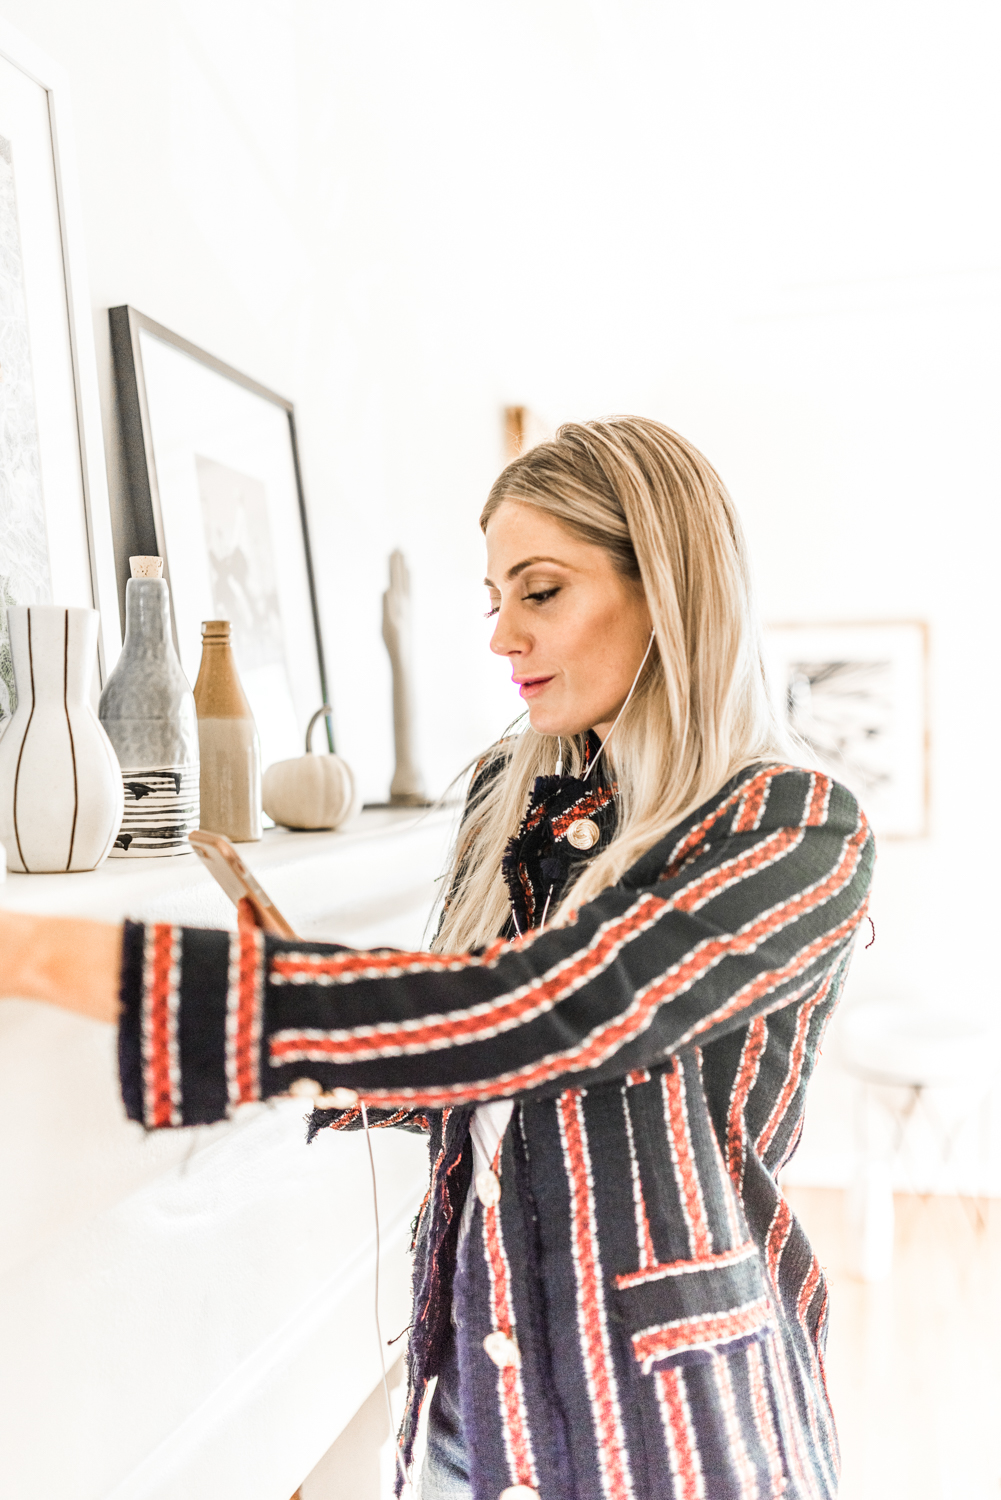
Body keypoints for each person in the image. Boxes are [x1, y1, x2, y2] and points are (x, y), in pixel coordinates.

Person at [0, 417, 873, 1500]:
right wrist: (333, 1050)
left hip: (666, 1424)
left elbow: (543, 1017)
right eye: (492, 598)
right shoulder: (517, 798)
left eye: (539, 591)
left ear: (667, 588)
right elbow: (478, 1077)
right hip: (467, 1401)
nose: (501, 635)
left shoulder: (794, 828)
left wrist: (45, 956)